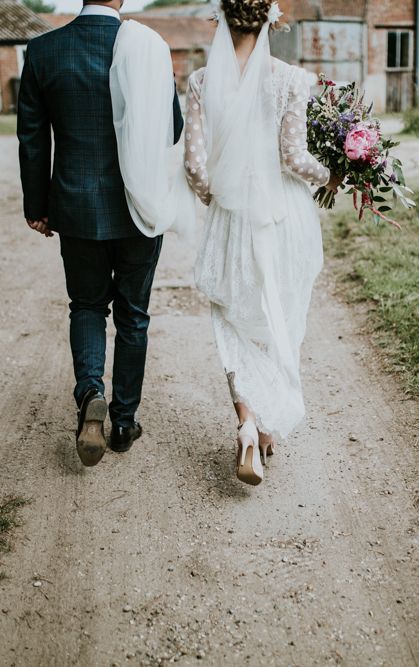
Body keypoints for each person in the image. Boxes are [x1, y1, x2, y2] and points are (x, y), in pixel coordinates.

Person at [17, 0, 184, 466]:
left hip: (75, 206)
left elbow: (32, 139)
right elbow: (173, 128)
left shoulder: (44, 50)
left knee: (87, 306)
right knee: (133, 315)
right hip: (137, 207)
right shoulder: (149, 48)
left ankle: (91, 391)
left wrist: (37, 206)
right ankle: (124, 421)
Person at [184, 0, 342, 485]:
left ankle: (249, 423)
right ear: (270, 19)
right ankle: (269, 424)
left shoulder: (201, 82)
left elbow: (195, 165)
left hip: (233, 219)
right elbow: (294, 156)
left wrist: (220, 196)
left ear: (222, 19)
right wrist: (333, 174)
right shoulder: (291, 79)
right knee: (280, 315)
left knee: (234, 320)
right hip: (284, 217)